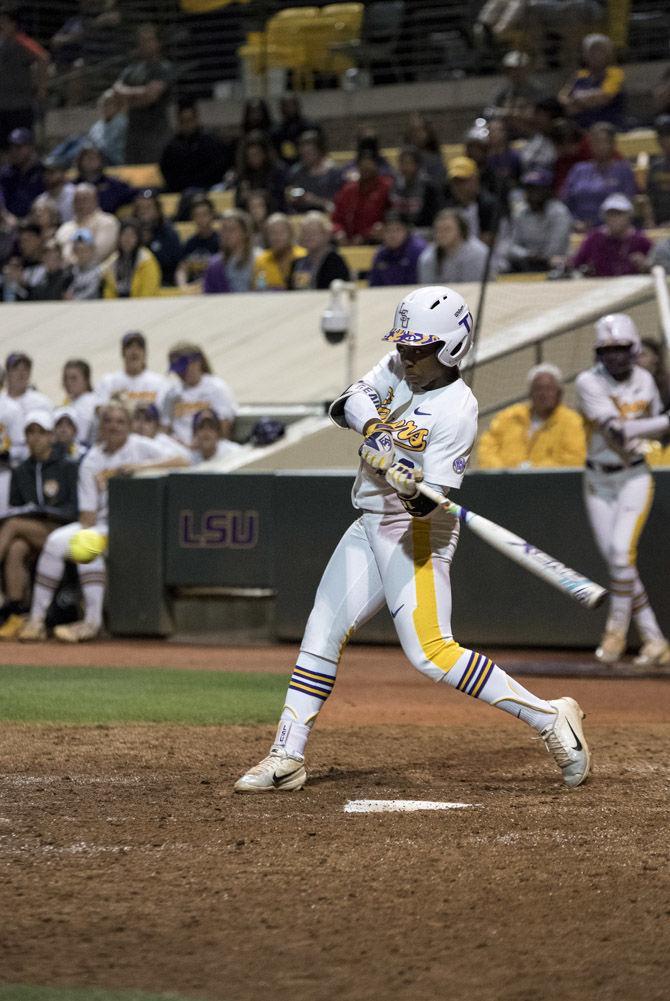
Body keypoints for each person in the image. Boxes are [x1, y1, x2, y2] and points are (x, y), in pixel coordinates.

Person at [234, 285, 591, 793]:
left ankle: (550, 717)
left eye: (419, 348)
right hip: (369, 521)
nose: (407, 355)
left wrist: (407, 481)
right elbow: (347, 403)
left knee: (431, 653)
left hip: (416, 531)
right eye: (404, 344)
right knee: (321, 631)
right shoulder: (399, 365)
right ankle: (287, 756)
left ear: (449, 349)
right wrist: (379, 434)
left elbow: (429, 503)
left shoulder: (458, 410)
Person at [17, 402, 187, 644]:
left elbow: (184, 459)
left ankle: (92, 622)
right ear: (101, 426)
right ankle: (36, 621)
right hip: (104, 523)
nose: (113, 426)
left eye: (120, 421)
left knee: (87, 544)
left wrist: (141, 467)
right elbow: (88, 516)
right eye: (108, 421)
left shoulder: (140, 447)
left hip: (140, 525)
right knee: (56, 542)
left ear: (128, 425)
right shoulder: (93, 459)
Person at [575, 314, 670, 666]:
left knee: (620, 555)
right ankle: (655, 640)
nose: (614, 356)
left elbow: (656, 435)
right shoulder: (589, 382)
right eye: (607, 349)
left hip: (634, 477)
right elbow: (618, 432)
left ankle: (615, 634)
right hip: (598, 480)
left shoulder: (646, 379)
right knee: (620, 563)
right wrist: (662, 422)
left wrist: (659, 424)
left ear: (634, 349)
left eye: (620, 349)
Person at [0, 410, 79, 640]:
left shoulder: (67, 467)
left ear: (51, 436)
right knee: (16, 547)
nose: (35, 438)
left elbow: (74, 510)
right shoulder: (21, 470)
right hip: (32, 533)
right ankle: (17, 613)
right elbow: (17, 506)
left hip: (62, 530)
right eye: (30, 433)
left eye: (40, 433)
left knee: (14, 526)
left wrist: (44, 511)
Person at [477, 364, 586, 468]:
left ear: (559, 393)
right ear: (530, 393)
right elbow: (486, 447)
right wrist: (503, 472)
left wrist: (533, 471)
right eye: (538, 388)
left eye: (549, 389)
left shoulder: (571, 421)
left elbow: (573, 459)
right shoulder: (509, 416)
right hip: (504, 482)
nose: (543, 394)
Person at [113, 22, 174, 164]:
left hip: (156, 135)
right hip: (133, 136)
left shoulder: (164, 68)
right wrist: (142, 92)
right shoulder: (131, 69)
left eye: (149, 40)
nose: (145, 44)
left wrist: (129, 97)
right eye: (142, 41)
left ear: (158, 43)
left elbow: (152, 97)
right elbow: (116, 91)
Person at [561, 122, 636, 229]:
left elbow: (627, 203)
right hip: (578, 227)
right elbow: (565, 202)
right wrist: (574, 222)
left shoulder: (623, 170)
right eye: (595, 142)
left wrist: (609, 225)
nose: (599, 146)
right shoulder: (578, 169)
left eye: (604, 142)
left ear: (613, 144)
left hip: (612, 229)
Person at [165, 343, 237, 446]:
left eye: (183, 369)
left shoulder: (216, 388)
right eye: (178, 371)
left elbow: (224, 427)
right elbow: (165, 426)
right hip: (177, 448)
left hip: (207, 448)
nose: (180, 374)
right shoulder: (172, 392)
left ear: (197, 362)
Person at [503, 168, 572, 272]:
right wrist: (528, 255)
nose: (532, 193)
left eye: (537, 189)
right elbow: (511, 248)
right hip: (526, 263)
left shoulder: (559, 213)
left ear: (547, 190)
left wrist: (538, 258)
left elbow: (555, 250)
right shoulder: (520, 213)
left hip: (554, 266)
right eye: (529, 189)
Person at [0, 6, 49, 150]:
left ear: (13, 24)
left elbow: (43, 58)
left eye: (3, 22)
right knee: (3, 147)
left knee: (23, 146)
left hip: (20, 105)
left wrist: (42, 89)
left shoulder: (22, 41)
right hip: (2, 105)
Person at [569, 193, 652, 278]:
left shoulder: (640, 240)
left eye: (619, 214)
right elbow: (575, 263)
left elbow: (656, 266)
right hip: (600, 285)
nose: (614, 218)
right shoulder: (594, 238)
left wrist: (646, 265)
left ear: (629, 216)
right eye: (610, 214)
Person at [160, 100, 231, 195]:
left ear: (196, 118)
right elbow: (168, 172)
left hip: (209, 188)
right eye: (183, 121)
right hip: (181, 190)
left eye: (190, 120)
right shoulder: (172, 147)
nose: (187, 125)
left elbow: (219, 167)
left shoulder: (211, 142)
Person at [95, 331, 171, 417]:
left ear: (145, 353)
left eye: (139, 347)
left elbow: (165, 414)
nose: (134, 351)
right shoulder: (108, 381)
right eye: (129, 347)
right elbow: (98, 409)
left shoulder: (159, 383)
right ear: (123, 353)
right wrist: (114, 404)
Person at [558, 33, 625, 131]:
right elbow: (562, 100)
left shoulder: (615, 73)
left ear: (608, 53)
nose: (596, 54)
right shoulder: (579, 75)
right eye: (592, 50)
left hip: (608, 127)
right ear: (585, 54)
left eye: (600, 50)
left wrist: (577, 101)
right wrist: (588, 101)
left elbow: (605, 97)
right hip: (581, 129)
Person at [331, 151, 393, 245]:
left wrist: (366, 234)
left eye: (369, 163)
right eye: (362, 164)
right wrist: (339, 232)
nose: (366, 167)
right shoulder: (348, 190)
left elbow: (391, 216)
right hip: (347, 242)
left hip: (375, 240)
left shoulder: (386, 187)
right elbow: (336, 219)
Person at [418, 208, 490, 284]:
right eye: (438, 230)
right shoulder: (428, 258)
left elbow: (475, 287)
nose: (441, 234)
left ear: (461, 231)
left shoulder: (478, 254)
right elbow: (428, 289)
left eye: (447, 229)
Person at [56, 182, 119, 265]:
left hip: (99, 273)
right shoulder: (65, 227)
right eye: (77, 200)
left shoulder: (107, 222)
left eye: (85, 199)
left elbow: (99, 253)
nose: (81, 204)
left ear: (95, 200)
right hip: (66, 274)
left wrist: (69, 262)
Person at [484, 50, 542, 141]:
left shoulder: (537, 91)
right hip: (506, 131)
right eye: (512, 70)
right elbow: (489, 111)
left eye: (520, 69)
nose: (516, 73)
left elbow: (543, 113)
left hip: (529, 130)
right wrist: (507, 113)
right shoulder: (503, 91)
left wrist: (522, 115)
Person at [444, 156, 500, 246]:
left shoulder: (489, 205)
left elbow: (488, 240)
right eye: (455, 182)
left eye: (463, 181)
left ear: (475, 180)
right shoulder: (448, 207)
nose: (458, 187)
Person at [284, 130, 343, 216]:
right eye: (303, 154)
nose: (305, 157)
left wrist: (314, 200)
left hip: (325, 215)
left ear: (320, 151)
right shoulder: (296, 172)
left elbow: (337, 204)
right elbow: (291, 193)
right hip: (301, 216)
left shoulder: (334, 173)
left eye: (309, 153)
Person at [132, 189, 182, 287]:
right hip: (135, 287)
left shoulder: (169, 233)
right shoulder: (130, 232)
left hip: (164, 285)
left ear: (158, 210)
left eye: (148, 208)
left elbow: (177, 264)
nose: (144, 212)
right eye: (140, 208)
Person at [289, 211, 350, 291]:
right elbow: (291, 291)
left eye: (313, 233)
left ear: (326, 235)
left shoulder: (335, 261)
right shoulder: (297, 263)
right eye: (305, 233)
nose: (308, 237)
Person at [203, 208, 258, 294]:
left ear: (245, 232)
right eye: (223, 230)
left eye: (232, 229)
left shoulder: (260, 259)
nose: (226, 234)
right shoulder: (214, 265)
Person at [101, 219, 161, 298]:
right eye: (124, 235)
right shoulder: (113, 260)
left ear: (138, 238)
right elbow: (109, 291)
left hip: (141, 304)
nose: (127, 239)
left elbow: (148, 292)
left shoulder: (146, 260)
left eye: (132, 236)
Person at [232, 130, 287, 215]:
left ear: (265, 154)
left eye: (256, 154)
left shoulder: (278, 171)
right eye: (249, 156)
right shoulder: (243, 174)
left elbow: (280, 198)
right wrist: (244, 197)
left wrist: (258, 195)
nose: (253, 159)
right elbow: (238, 203)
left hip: (274, 214)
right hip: (249, 217)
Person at [389, 146, 443, 230]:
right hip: (400, 232)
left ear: (417, 165)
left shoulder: (429, 187)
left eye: (408, 163)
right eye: (401, 163)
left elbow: (432, 217)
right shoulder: (394, 185)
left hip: (424, 232)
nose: (404, 167)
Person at [368, 213, 427, 287]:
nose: (393, 235)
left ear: (406, 231)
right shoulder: (380, 254)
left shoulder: (418, 251)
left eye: (397, 229)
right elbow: (374, 285)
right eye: (388, 230)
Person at [73, 145, 135, 216]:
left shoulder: (113, 184)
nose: (90, 161)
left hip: (106, 222)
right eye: (87, 157)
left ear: (101, 161)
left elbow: (134, 194)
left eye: (94, 158)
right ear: (80, 161)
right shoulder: (72, 186)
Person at [253, 213, 306, 291]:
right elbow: (258, 290)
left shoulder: (303, 256)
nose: (277, 237)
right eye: (272, 232)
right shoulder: (260, 260)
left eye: (281, 232)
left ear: (291, 234)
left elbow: (304, 289)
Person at [175, 196, 219, 289]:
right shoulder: (189, 243)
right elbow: (182, 269)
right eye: (197, 215)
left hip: (214, 289)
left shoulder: (221, 241)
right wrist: (183, 286)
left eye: (204, 215)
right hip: (192, 289)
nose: (201, 219)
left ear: (212, 215)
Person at [0, 127, 44, 219]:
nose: (14, 151)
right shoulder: (6, 173)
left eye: (19, 147)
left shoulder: (41, 171)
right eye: (12, 147)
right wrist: (6, 216)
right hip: (9, 222)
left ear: (31, 147)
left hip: (36, 222)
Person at [270, 94, 318, 166]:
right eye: (285, 106)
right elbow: (273, 153)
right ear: (281, 108)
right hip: (284, 168)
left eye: (292, 105)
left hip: (309, 165)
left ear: (298, 106)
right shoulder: (275, 131)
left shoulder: (310, 126)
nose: (289, 108)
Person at [2, 352, 52, 421]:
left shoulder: (42, 402)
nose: (21, 374)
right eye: (16, 369)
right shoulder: (1, 402)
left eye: (25, 370)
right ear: (7, 373)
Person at [61, 359, 97, 446]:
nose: (68, 382)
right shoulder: (72, 402)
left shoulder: (88, 402)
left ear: (86, 380)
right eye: (65, 378)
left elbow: (80, 437)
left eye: (73, 378)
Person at [32, 159, 75, 225]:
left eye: (52, 172)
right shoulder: (40, 200)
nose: (48, 176)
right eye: (46, 173)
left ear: (62, 173)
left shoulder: (75, 193)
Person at [645, 115, 670, 227]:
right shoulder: (655, 167)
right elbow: (649, 199)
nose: (666, 141)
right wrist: (651, 223)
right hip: (660, 225)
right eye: (662, 137)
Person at [63, 227, 102, 300]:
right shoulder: (71, 271)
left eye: (84, 250)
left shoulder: (99, 271)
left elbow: (92, 293)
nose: (81, 254)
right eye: (77, 250)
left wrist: (74, 299)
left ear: (92, 250)